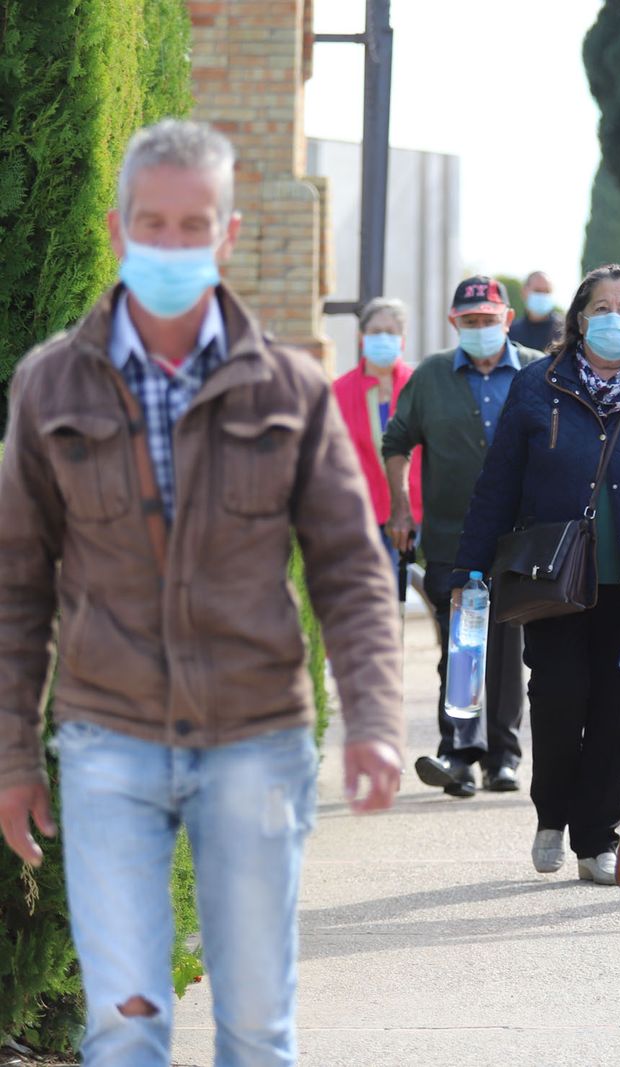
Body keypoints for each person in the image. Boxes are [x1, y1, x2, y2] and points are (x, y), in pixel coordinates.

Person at [0, 119, 403, 1067]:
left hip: (256, 745)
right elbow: (16, 586)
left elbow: (349, 567)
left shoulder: (292, 391)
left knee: (257, 1030)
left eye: (194, 225)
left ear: (226, 235)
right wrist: (13, 749)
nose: (171, 244)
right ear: (116, 229)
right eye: (153, 223)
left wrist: (376, 718)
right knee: (126, 1025)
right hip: (109, 746)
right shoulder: (51, 385)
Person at [455, 263, 620, 886]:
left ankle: (596, 838)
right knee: (558, 700)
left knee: (618, 712)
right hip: (551, 579)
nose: (615, 318)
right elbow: (497, 485)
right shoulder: (537, 385)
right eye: (602, 307)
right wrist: (470, 568)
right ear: (579, 318)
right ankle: (551, 815)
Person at [383, 277, 532, 797]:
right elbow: (397, 441)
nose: (480, 329)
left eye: (489, 320)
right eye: (470, 321)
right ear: (454, 323)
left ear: (507, 320)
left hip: (522, 540)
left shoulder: (537, 370)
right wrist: (401, 508)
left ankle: (503, 757)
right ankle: (460, 754)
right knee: (462, 646)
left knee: (507, 649)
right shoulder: (431, 376)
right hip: (453, 536)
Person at [333, 297, 422, 598]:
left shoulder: (420, 385)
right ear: (361, 338)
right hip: (361, 514)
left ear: (402, 340)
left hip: (416, 512)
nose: (383, 338)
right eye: (375, 331)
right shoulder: (339, 391)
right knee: (370, 597)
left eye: (391, 331)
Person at [509, 269, 562, 353]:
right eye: (538, 291)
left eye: (547, 291)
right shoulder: (511, 332)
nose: (542, 296)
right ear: (524, 292)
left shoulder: (564, 331)